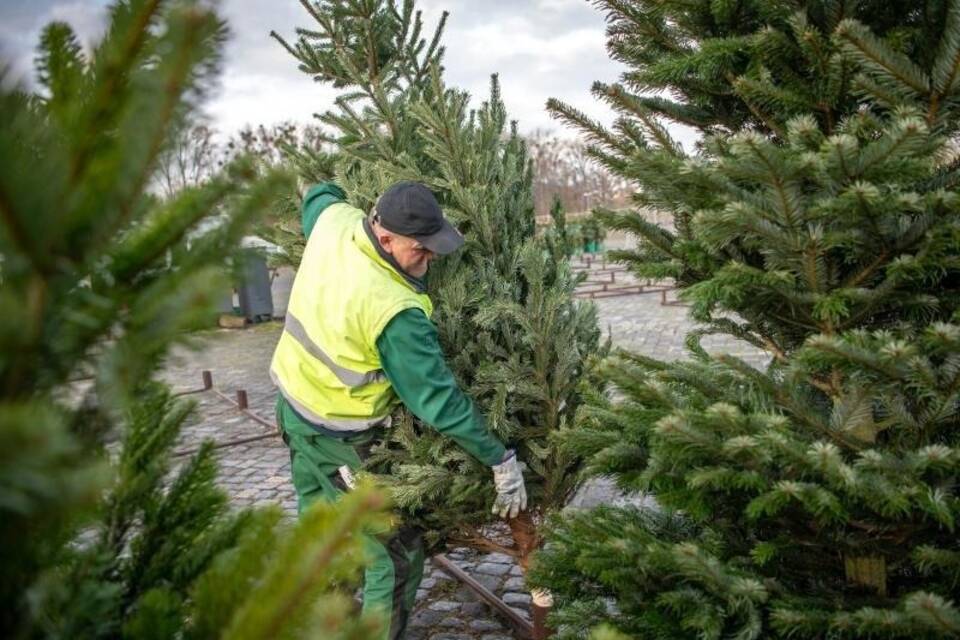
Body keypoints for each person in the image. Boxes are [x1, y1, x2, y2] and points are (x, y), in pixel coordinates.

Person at [269, 180, 527, 640]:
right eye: (420, 250)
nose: (430, 259)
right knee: (394, 551)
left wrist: (319, 185)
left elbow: (318, 196)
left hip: (292, 407)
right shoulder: (394, 309)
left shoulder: (335, 222)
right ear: (384, 237)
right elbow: (438, 401)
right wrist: (498, 457)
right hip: (339, 438)